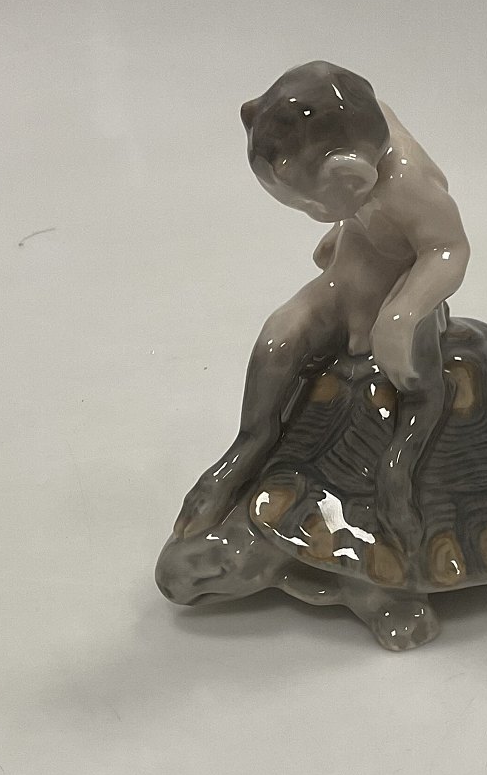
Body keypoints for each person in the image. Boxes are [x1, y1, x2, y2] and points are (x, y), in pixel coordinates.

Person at [174, 60, 471, 549]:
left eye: (313, 206)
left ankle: (400, 473)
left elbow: (449, 249)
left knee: (416, 376)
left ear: (351, 176)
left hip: (403, 290)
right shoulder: (367, 128)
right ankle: (250, 442)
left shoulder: (410, 183)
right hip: (349, 274)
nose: (311, 215)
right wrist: (343, 227)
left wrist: (401, 315)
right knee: (278, 337)